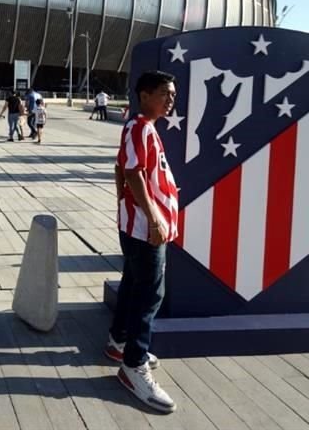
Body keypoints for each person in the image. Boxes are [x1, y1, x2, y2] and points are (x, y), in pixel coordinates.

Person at [107, 70, 179, 414]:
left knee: (134, 283)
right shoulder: (139, 128)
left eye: (173, 94)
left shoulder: (142, 128)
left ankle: (119, 340)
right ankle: (133, 366)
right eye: (165, 93)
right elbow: (133, 171)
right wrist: (152, 218)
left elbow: (120, 167)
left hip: (137, 224)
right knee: (151, 294)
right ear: (145, 95)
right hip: (144, 229)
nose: (171, 99)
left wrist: (122, 201)